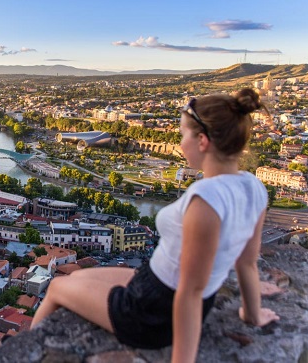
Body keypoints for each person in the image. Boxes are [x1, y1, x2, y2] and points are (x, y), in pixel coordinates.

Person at [30, 88, 279, 362]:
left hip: (151, 313)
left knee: (56, 287)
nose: (180, 143)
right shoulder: (254, 187)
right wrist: (252, 315)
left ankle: (25, 355)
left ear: (203, 141)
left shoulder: (205, 201)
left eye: (183, 134)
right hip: (155, 285)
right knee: (75, 277)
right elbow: (247, 263)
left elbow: (191, 292)